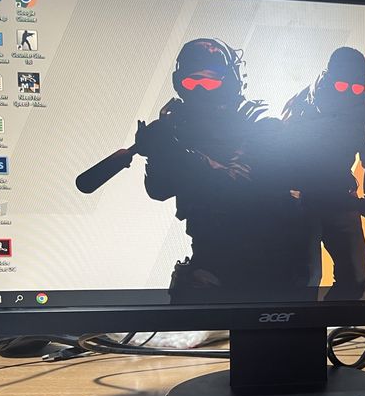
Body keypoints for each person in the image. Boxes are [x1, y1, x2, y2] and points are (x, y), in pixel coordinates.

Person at [134, 37, 313, 303]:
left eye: (210, 82)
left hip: (267, 265)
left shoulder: (261, 126)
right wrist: (158, 151)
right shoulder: (182, 132)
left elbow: (238, 183)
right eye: (192, 82)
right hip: (210, 262)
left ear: (229, 83)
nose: (201, 90)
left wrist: (178, 151)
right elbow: (159, 189)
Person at [280, 46, 365, 300]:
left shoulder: (362, 107)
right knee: (306, 279)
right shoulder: (302, 105)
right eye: (341, 85)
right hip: (301, 199)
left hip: (340, 194)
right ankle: (302, 324)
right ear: (329, 77)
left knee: (358, 278)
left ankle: (326, 321)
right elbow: (281, 158)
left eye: (356, 87)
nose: (348, 92)